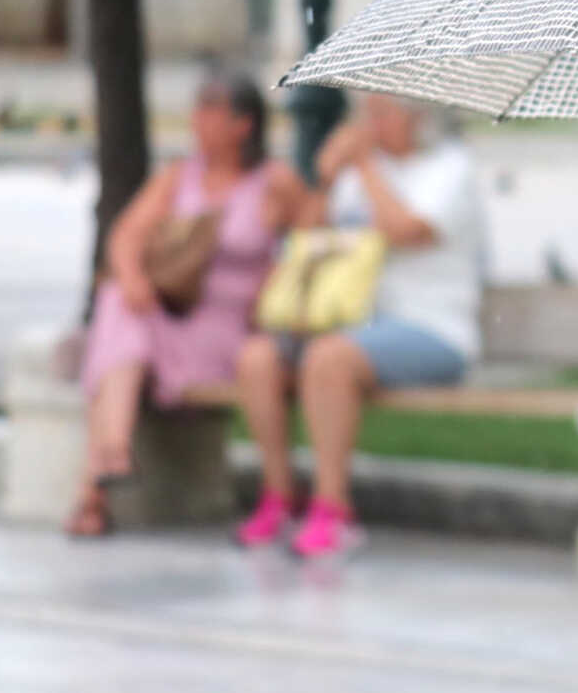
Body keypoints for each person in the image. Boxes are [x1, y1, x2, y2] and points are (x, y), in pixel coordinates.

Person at [233, 92, 482, 559]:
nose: (371, 125)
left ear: (419, 118)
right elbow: (305, 241)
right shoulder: (353, 178)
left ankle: (334, 510)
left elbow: (406, 232)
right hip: (353, 325)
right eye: (366, 114)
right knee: (258, 358)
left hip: (432, 329)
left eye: (383, 114)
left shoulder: (450, 170)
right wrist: (326, 182)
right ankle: (280, 496)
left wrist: (365, 167)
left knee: (329, 358)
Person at [66, 73, 307, 539]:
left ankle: (95, 490)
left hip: (230, 328)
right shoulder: (180, 177)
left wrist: (278, 279)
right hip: (170, 316)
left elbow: (316, 240)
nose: (196, 120)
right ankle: (111, 453)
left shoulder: (274, 183)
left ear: (243, 124)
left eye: (209, 109)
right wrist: (135, 279)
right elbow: (125, 236)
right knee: (120, 304)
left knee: (119, 328)